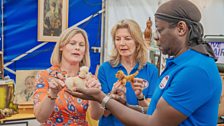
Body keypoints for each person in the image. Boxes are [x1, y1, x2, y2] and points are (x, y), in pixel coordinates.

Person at [67, 0, 222, 125]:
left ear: (181, 28)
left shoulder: (195, 70)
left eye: (160, 30)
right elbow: (153, 112)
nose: (154, 36)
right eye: (118, 39)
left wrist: (102, 97)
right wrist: (123, 104)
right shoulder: (178, 65)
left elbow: (155, 123)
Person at [92, 19, 159, 126]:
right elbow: (103, 113)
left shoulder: (151, 70)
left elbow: (151, 113)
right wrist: (112, 95)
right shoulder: (105, 68)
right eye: (118, 39)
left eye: (127, 38)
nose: (122, 43)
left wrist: (140, 96)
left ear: (137, 41)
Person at [33, 27, 102, 126]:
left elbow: (96, 116)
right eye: (72, 43)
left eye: (81, 45)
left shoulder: (89, 79)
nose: (77, 47)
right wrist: (52, 93)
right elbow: (40, 117)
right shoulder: (45, 76)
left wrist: (95, 95)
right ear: (61, 47)